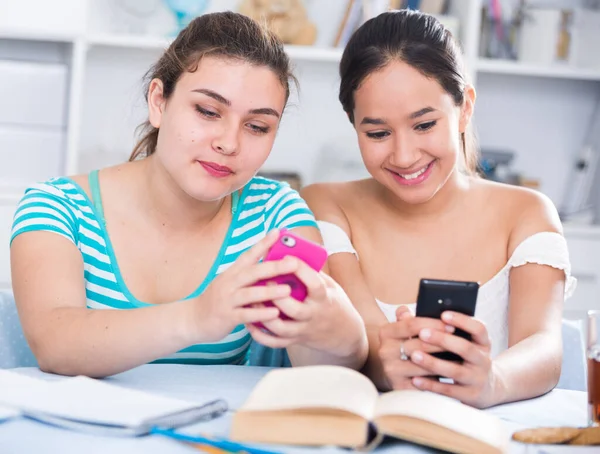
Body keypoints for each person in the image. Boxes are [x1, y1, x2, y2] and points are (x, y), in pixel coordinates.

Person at [10, 12, 367, 378]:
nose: (229, 143)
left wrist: (344, 339)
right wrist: (197, 317)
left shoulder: (275, 215)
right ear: (158, 102)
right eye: (208, 111)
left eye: (257, 126)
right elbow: (55, 345)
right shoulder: (56, 207)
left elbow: (317, 369)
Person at [302, 10, 576, 408]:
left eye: (425, 125)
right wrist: (391, 362)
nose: (404, 155)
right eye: (377, 133)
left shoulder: (526, 212)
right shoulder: (325, 204)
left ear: (464, 108)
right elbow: (364, 335)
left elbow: (544, 347)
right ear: (353, 123)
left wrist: (493, 381)